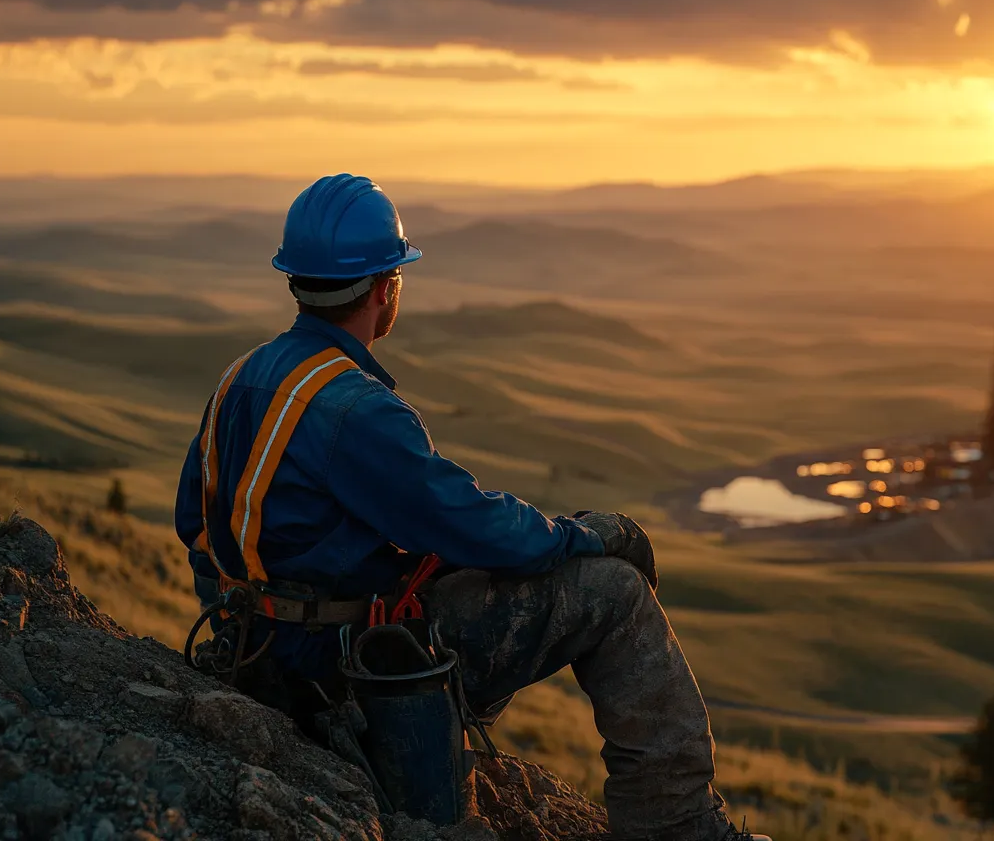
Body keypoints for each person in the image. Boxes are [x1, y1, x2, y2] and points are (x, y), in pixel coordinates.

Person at [174, 174, 768, 841]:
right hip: (338, 667)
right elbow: (474, 528)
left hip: (250, 648)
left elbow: (192, 524)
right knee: (616, 595)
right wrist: (583, 537)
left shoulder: (243, 376)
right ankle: (680, 826)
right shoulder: (358, 410)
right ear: (383, 288)